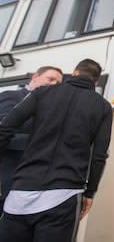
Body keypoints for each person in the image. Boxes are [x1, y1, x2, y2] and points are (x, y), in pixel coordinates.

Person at [0, 59, 112, 242]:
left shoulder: (42, 93)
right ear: (96, 82)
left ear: (74, 72)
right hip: (64, 194)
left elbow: (4, 128)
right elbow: (99, 155)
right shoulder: (103, 106)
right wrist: (90, 192)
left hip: (21, 191)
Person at [0, 66, 63, 211]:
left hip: (28, 188)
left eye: (58, 83)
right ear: (35, 77)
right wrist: (38, 143)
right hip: (5, 179)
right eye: (51, 79)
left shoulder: (50, 109)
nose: (54, 84)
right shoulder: (11, 97)